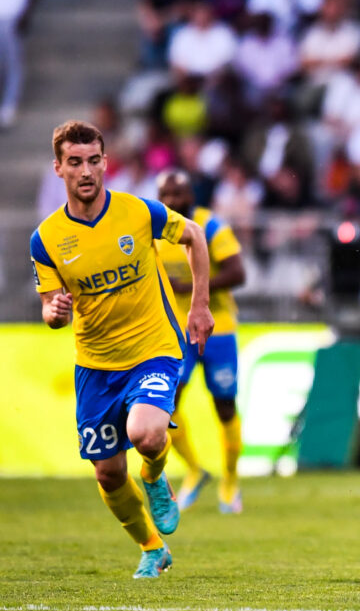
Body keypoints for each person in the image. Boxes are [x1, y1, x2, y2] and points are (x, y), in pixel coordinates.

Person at [30, 120, 214, 578]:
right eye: (75, 162)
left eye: (94, 160)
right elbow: (51, 312)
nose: (87, 171)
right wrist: (55, 313)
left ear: (105, 162)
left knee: (146, 433)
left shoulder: (137, 212)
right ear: (59, 168)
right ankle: (152, 548)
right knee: (108, 474)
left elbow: (194, 235)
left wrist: (200, 305)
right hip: (95, 365)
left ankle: (154, 475)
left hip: (153, 348)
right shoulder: (47, 240)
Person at [154, 169, 247, 514]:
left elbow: (238, 272)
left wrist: (196, 289)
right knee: (167, 404)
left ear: (192, 196)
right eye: (166, 195)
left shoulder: (210, 227)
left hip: (218, 327)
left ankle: (231, 480)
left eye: (179, 194)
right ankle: (194, 470)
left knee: (224, 404)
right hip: (175, 332)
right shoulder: (153, 231)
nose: (173, 201)